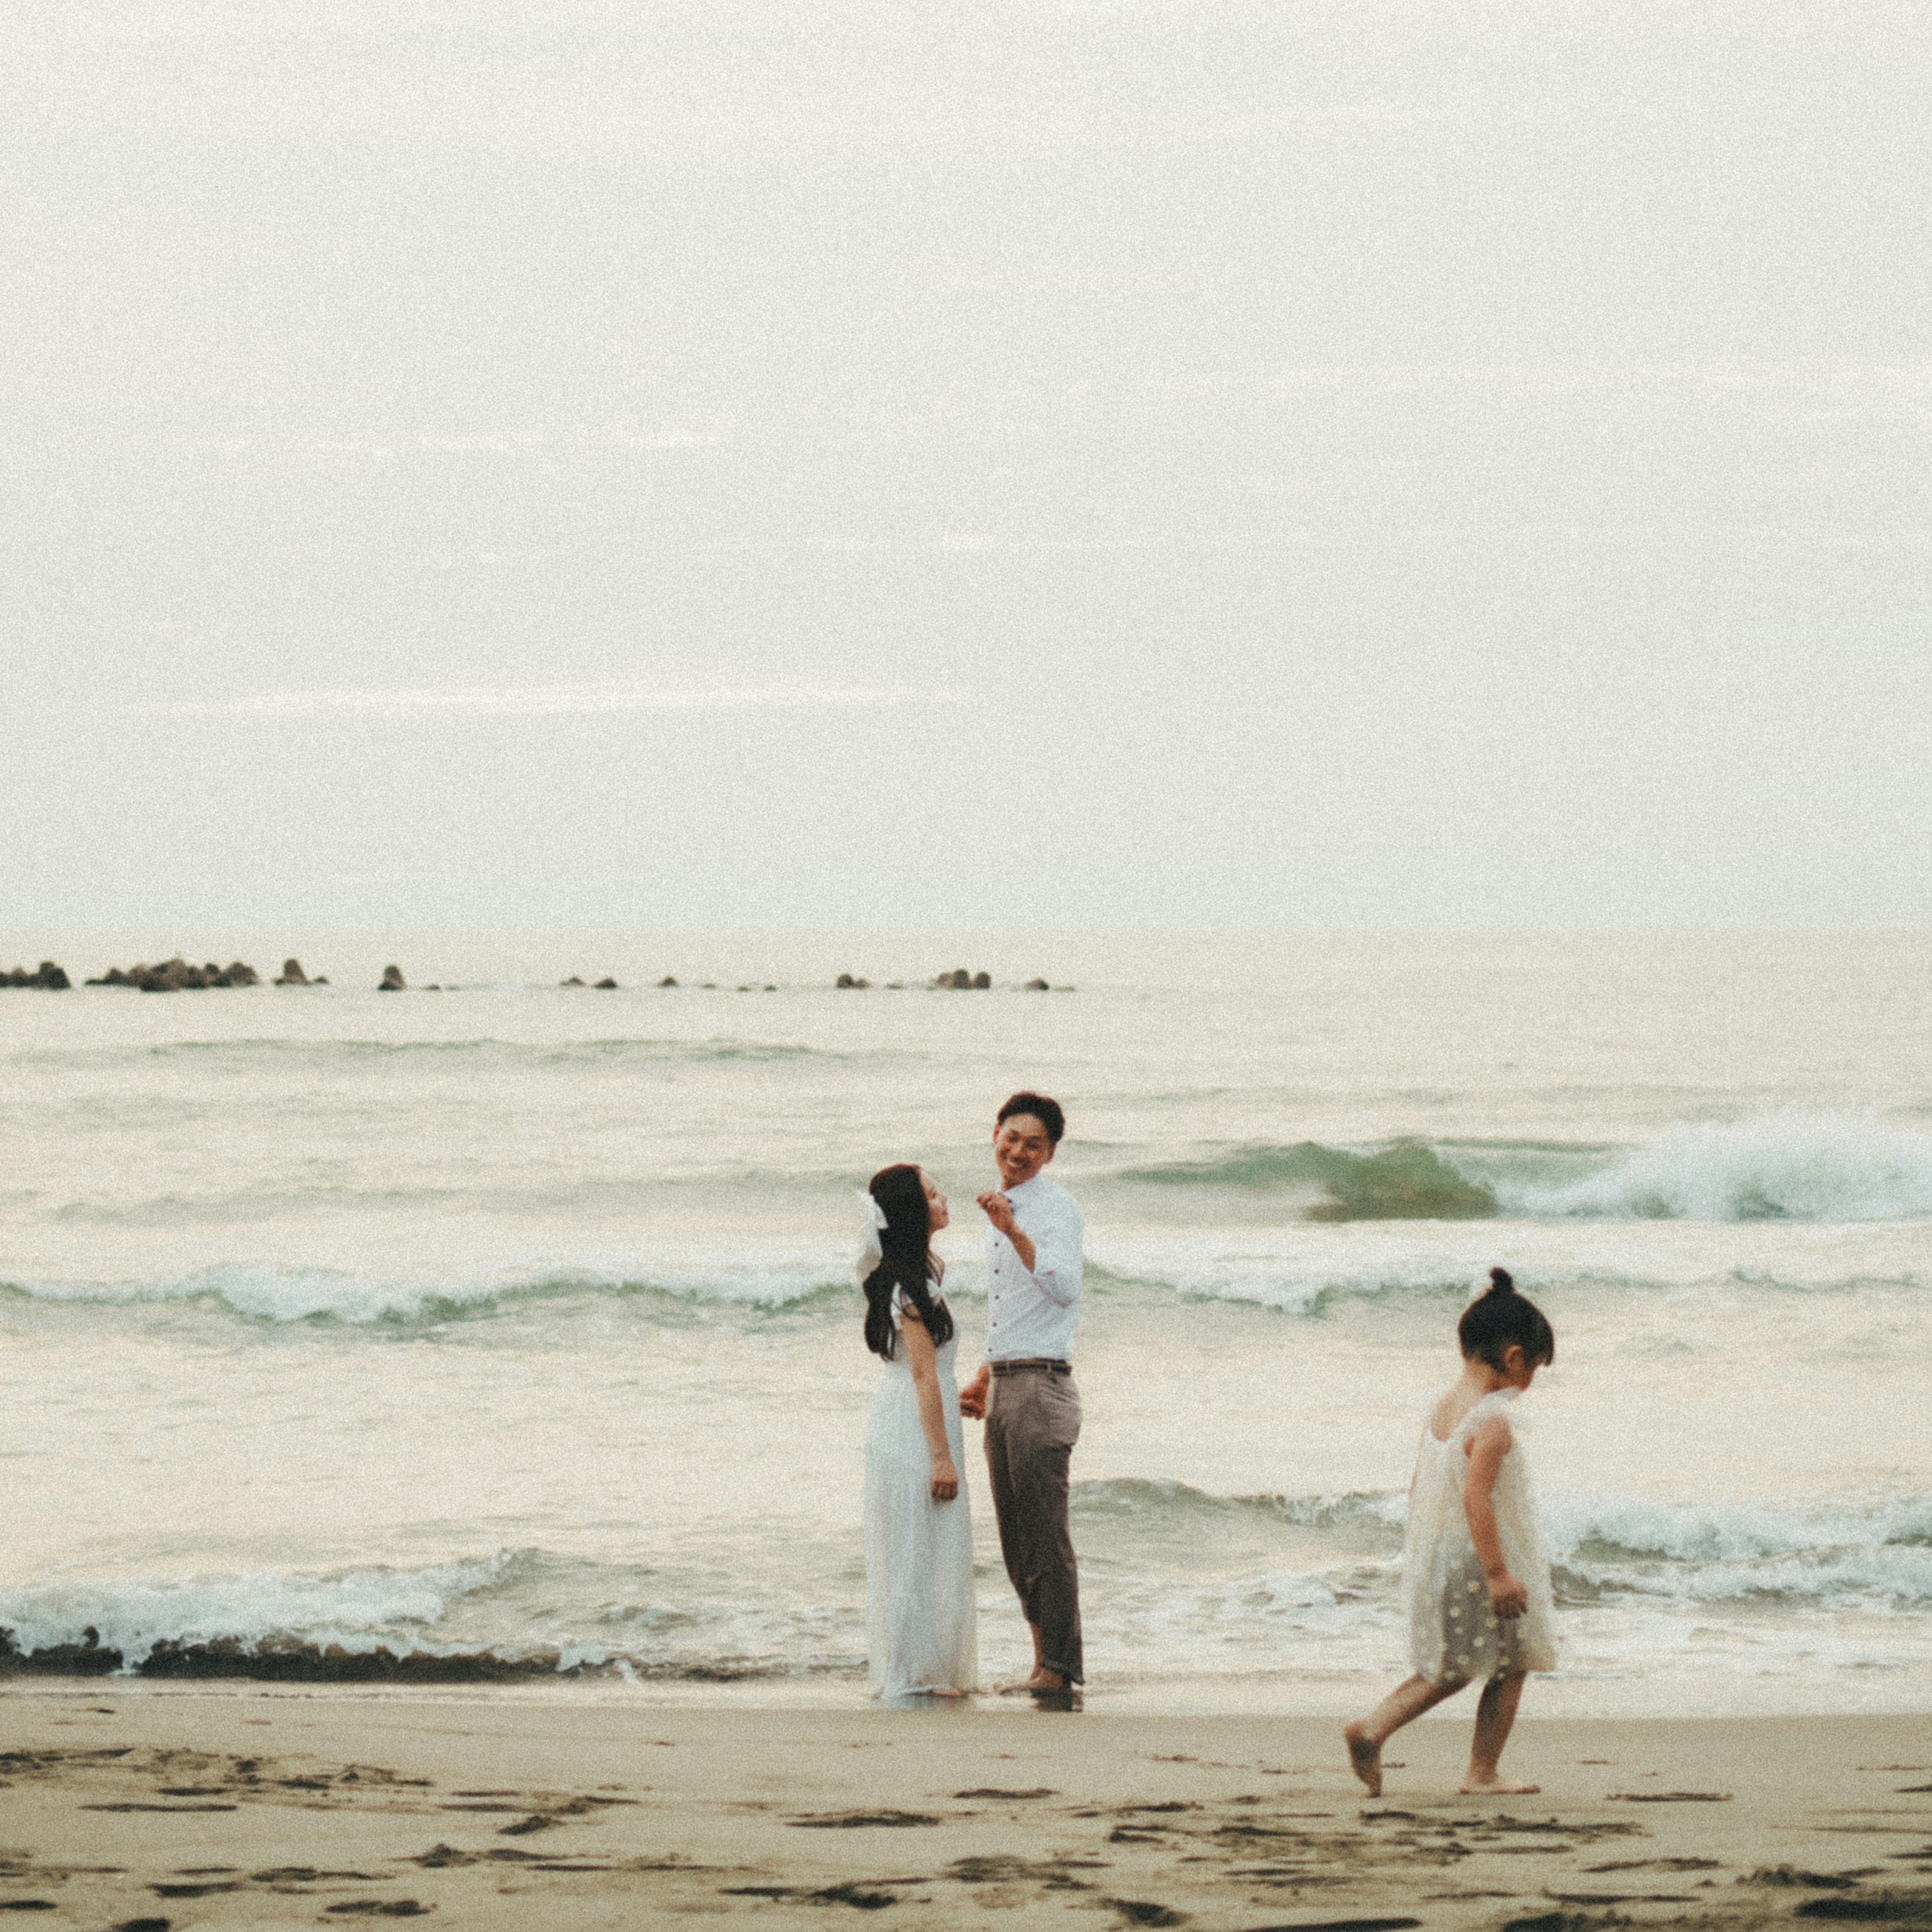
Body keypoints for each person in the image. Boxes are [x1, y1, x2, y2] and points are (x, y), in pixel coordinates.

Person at [1344, 1267, 1558, 1796]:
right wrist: (1499, 1574)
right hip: (1482, 1557)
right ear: (1513, 1359)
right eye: (1535, 1367)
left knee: (1454, 1665)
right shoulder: (1494, 1422)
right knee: (1514, 1661)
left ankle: (1375, 1728)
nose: (1532, 1380)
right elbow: (1475, 1497)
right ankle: (1477, 1769)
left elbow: (1422, 1487)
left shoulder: (1441, 1410)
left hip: (1443, 1552)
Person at [957, 1092, 1085, 1697]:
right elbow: (1009, 1308)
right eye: (1012, 1138)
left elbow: (1061, 1288)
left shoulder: (1055, 1209)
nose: (1020, 1151)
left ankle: (1059, 1668)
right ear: (995, 1135)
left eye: (1034, 1144)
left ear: (1051, 1153)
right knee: (1013, 1537)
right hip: (1008, 1381)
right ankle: (1042, 1662)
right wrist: (985, 1375)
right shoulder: (1002, 1207)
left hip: (1043, 1385)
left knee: (1044, 1537)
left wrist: (1014, 1231)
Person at [858, 1162, 978, 1700]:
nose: (944, 1198)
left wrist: (962, 1399)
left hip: (915, 1413)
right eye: (933, 1193)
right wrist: (941, 1457)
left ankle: (923, 1667)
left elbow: (933, 1374)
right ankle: (915, 1673)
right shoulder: (910, 1287)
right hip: (912, 1426)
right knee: (915, 1544)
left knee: (924, 1542)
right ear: (913, 1212)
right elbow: (925, 1373)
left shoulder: (916, 1275)